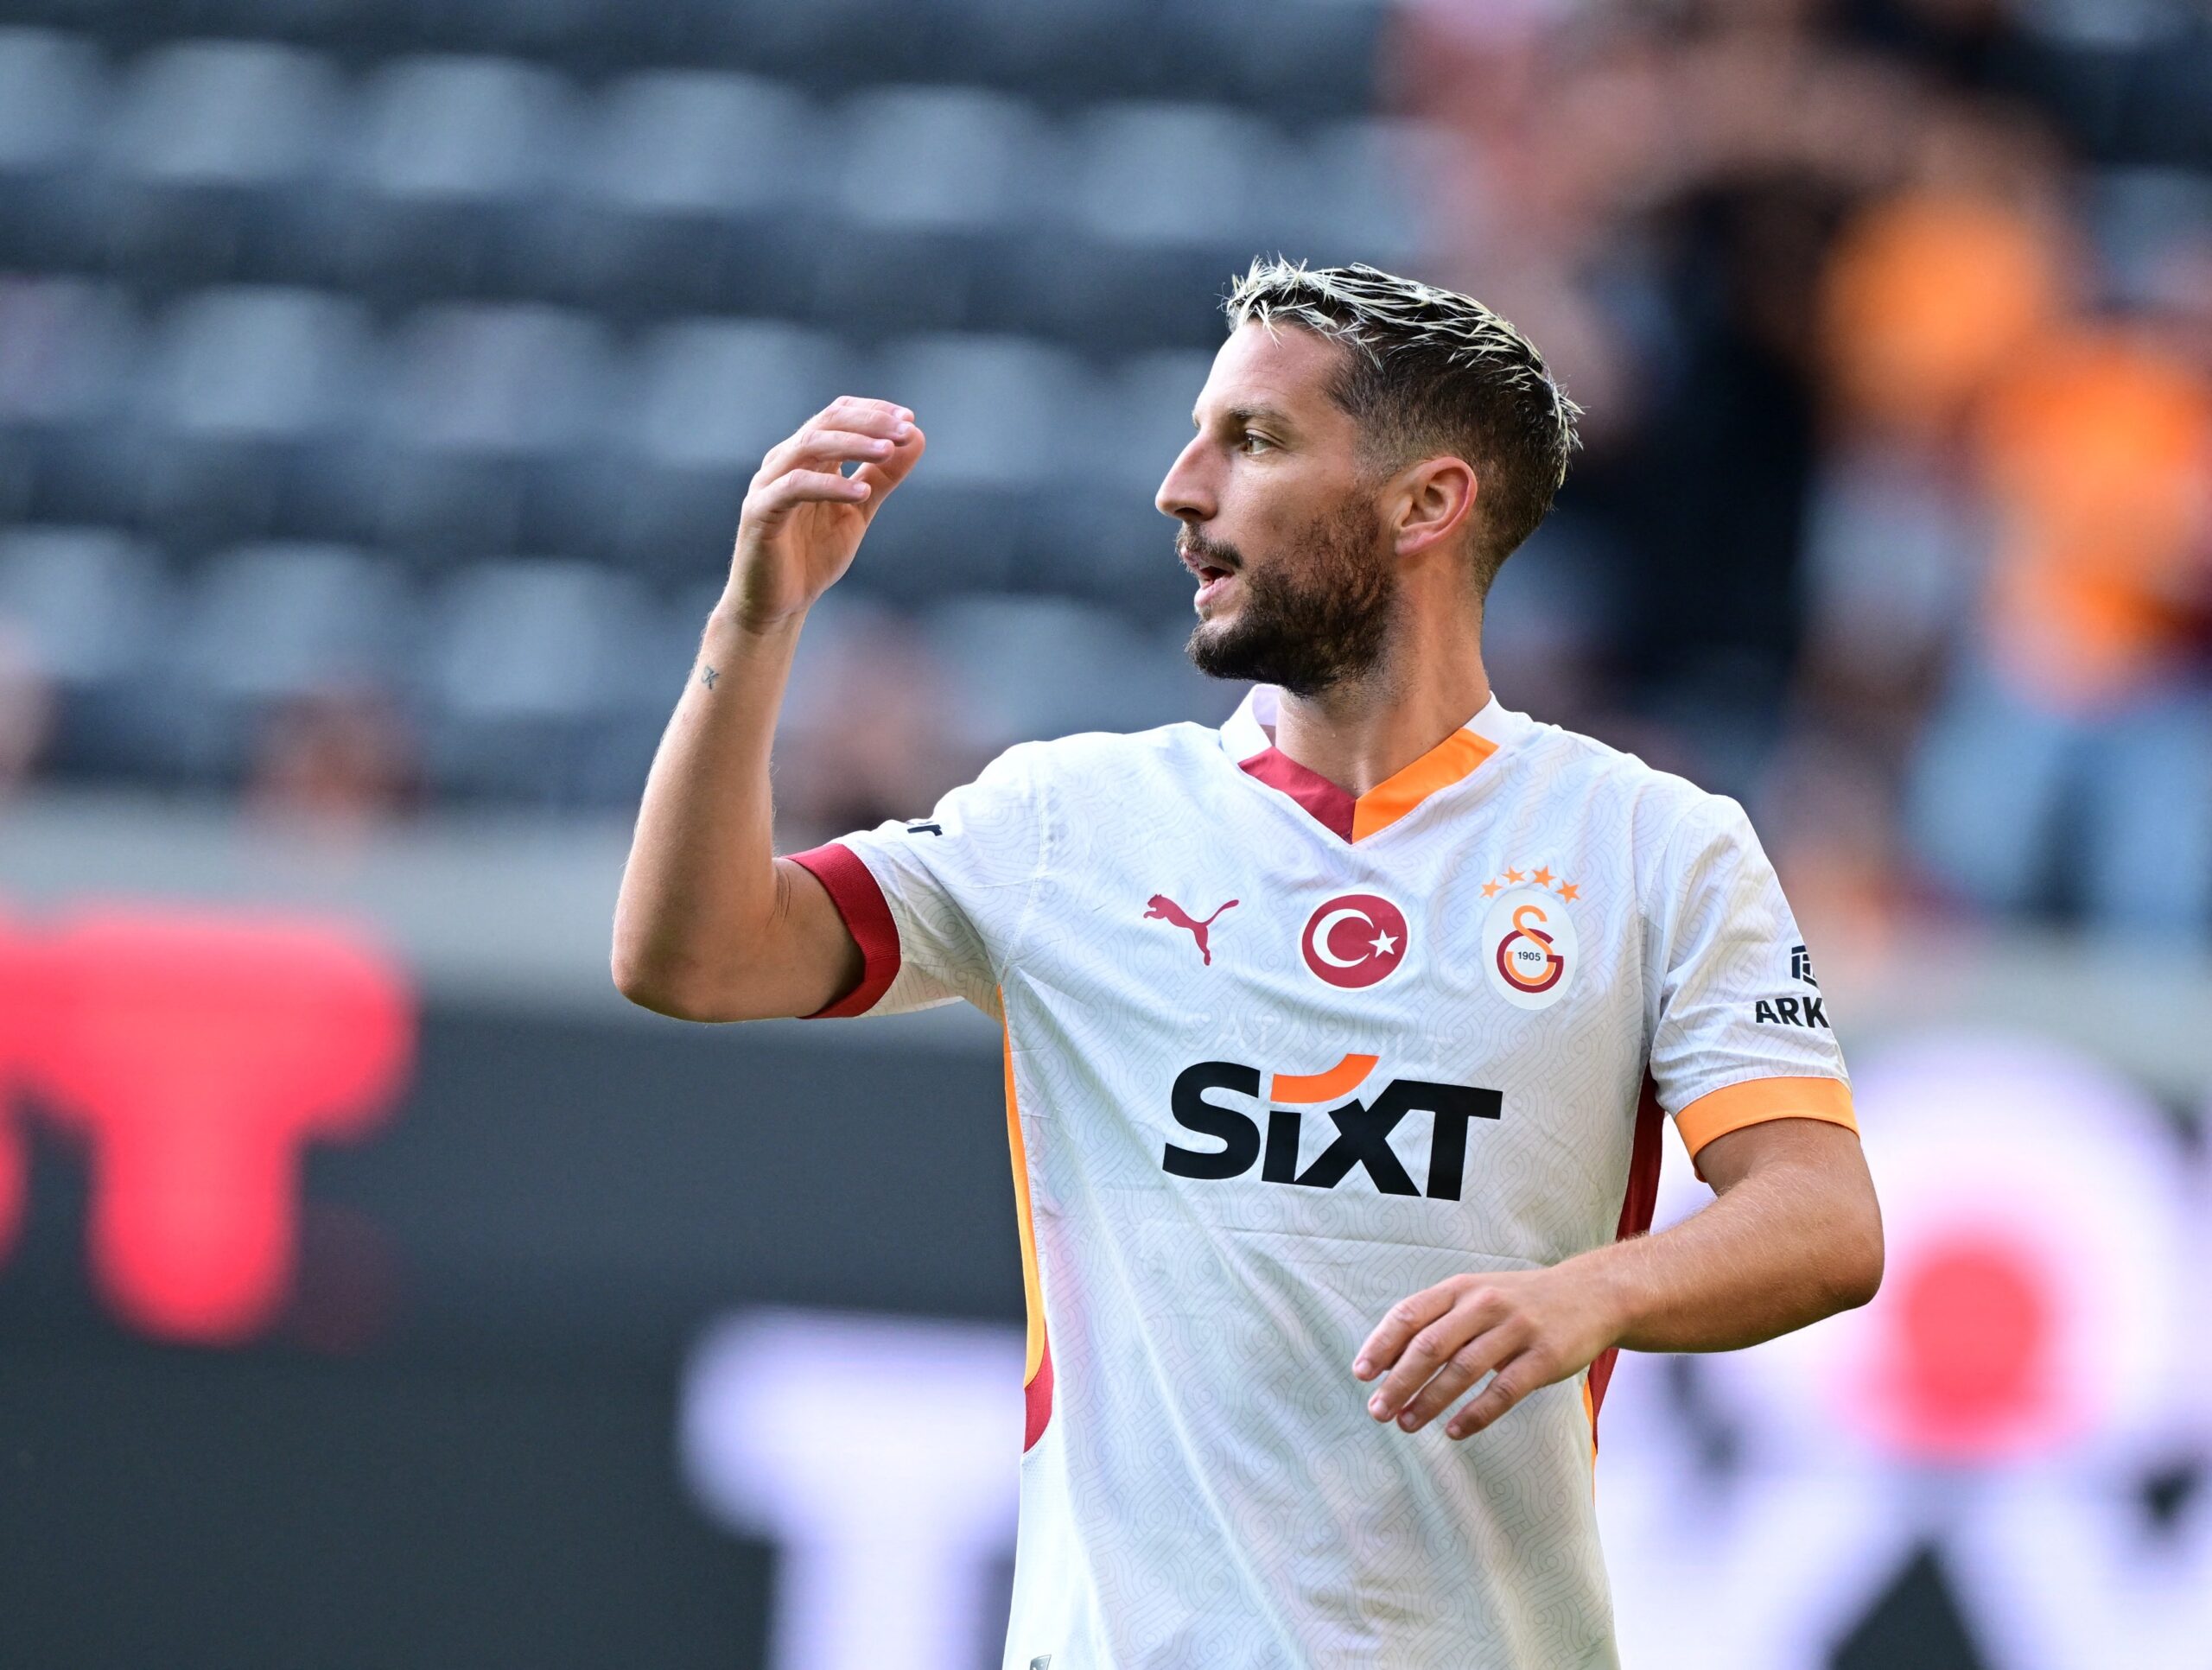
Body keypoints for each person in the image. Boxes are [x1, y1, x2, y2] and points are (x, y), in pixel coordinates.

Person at [612, 259, 1884, 1669]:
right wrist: (756, 621)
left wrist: (1592, 1293)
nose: (1180, 486)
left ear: (1427, 503)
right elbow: (696, 956)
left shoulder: (1654, 846)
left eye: (1254, 441)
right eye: (1197, 433)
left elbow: (1826, 1221)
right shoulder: (1068, 824)